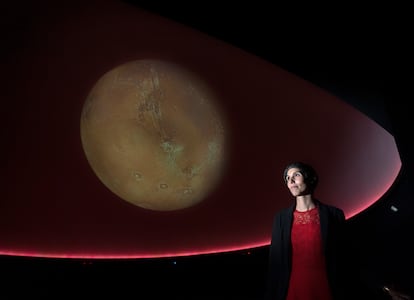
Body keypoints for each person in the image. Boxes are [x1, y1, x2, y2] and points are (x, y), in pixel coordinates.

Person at [264, 161, 347, 300]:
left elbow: (346, 258)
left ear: (310, 178)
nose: (290, 180)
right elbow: (275, 264)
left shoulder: (335, 215)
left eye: (296, 175)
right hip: (293, 289)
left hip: (328, 288)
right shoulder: (280, 219)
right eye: (287, 178)